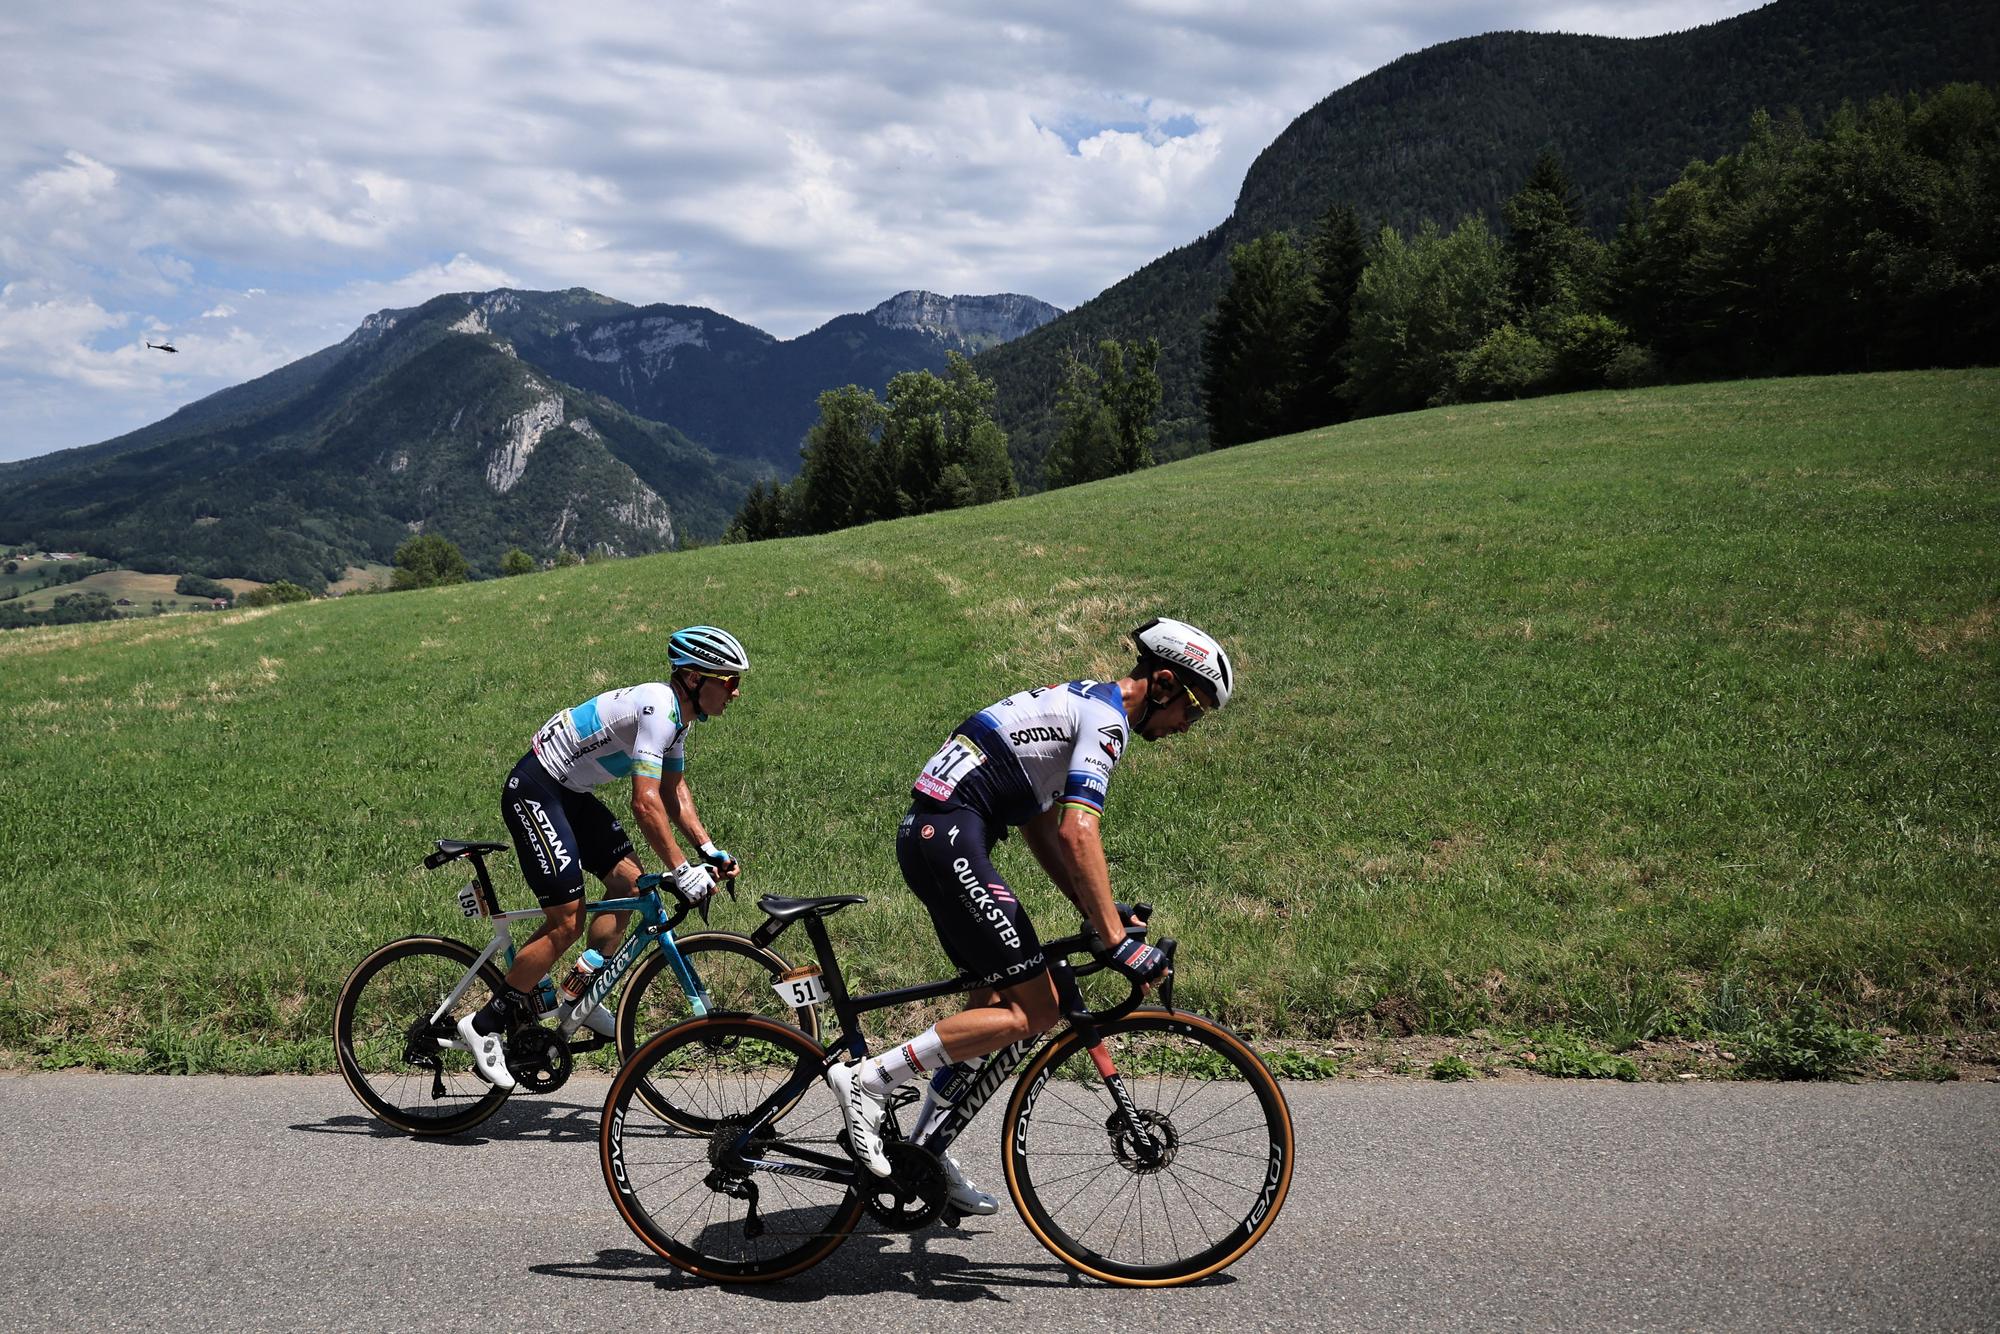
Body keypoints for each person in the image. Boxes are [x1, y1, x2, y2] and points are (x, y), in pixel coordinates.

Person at [828, 617, 1232, 1214]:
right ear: (1166, 683)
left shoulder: (1080, 705)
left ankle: (923, 1156)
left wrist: (1098, 915)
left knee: (990, 1013)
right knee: (1036, 1009)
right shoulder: (1107, 720)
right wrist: (1118, 941)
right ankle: (868, 1080)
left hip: (941, 836)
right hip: (948, 836)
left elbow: (1044, 829)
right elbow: (1079, 830)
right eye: (1191, 713)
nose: (1185, 729)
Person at [458, 625, 752, 1088]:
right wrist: (680, 869)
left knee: (629, 886)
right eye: (728, 680)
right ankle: (484, 1025)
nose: (735, 692)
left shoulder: (679, 716)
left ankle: (579, 996)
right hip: (537, 788)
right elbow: (645, 803)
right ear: (696, 678)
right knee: (566, 921)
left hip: (570, 792)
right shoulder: (659, 708)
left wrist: (708, 849)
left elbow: (674, 790)